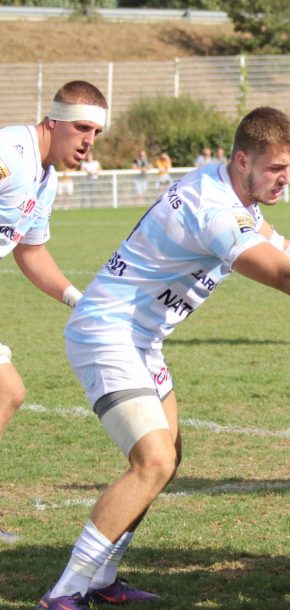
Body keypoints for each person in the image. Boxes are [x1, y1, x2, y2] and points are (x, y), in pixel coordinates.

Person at [36, 107, 290, 610]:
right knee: (154, 461)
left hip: (140, 340)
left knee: (167, 461)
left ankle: (101, 578)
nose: (286, 179)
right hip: (108, 334)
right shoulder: (211, 207)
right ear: (241, 160)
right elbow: (283, 274)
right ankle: (63, 594)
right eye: (277, 168)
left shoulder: (236, 195)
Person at [0, 80, 108, 544]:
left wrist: (77, 300)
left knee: (8, 392)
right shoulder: (12, 151)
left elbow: (31, 251)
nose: (89, 141)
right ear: (55, 120)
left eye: (97, 133)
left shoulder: (47, 178)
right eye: (82, 128)